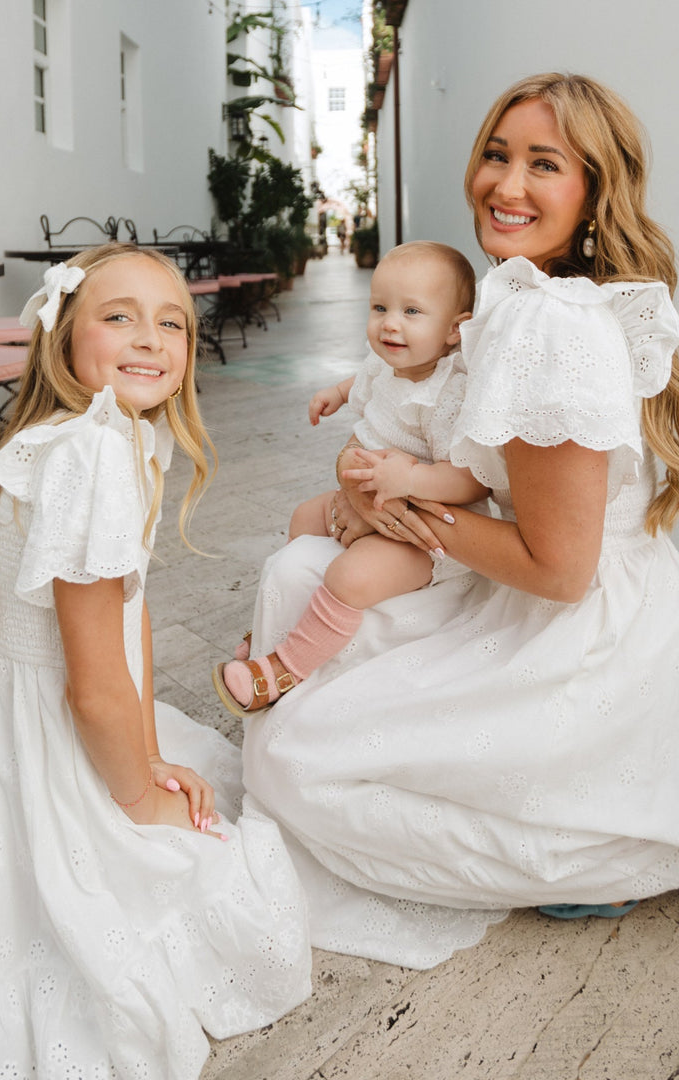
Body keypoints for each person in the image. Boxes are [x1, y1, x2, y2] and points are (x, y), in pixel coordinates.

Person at [239, 73, 679, 969]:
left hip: (576, 623)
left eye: (544, 165)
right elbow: (418, 427)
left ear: (594, 191)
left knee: (287, 765)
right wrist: (370, 485)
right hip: (533, 580)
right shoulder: (520, 294)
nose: (506, 185)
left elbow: (561, 571)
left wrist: (402, 502)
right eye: (496, 154)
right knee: (298, 575)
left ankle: (592, 856)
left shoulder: (553, 326)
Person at [0, 244, 311, 1077]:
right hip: (62, 720)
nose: (151, 339)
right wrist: (137, 796)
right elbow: (89, 688)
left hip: (32, 706)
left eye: (173, 323)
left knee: (190, 789)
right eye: (120, 317)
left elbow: (130, 613)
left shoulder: (103, 436)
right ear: (64, 339)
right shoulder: (91, 462)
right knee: (220, 874)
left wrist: (150, 746)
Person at [212, 241, 486, 715]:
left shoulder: (448, 394)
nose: (389, 323)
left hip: (421, 534)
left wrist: (413, 477)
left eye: (412, 311)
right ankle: (275, 625)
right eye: (379, 307)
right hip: (365, 498)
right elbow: (359, 382)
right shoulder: (385, 364)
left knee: (350, 576)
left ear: (455, 331)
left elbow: (471, 481)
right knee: (303, 516)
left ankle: (284, 667)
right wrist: (334, 394)